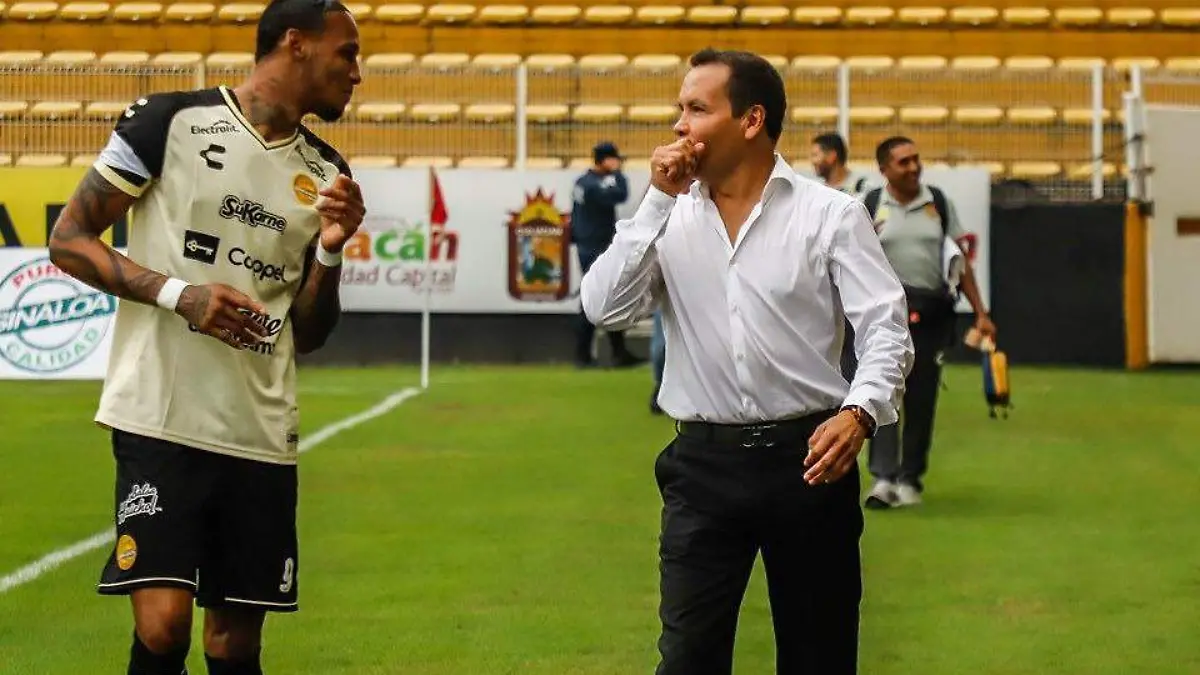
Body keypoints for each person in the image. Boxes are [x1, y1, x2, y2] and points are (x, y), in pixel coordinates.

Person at [46, 0, 363, 672]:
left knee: (233, 643)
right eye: (347, 53)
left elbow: (309, 332)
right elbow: (69, 239)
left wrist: (332, 250)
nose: (357, 73)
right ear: (296, 43)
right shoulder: (168, 122)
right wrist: (180, 295)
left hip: (258, 431)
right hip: (160, 414)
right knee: (163, 627)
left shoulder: (328, 174)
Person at [580, 48, 913, 675]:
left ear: (752, 120)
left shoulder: (830, 214)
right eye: (680, 109)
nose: (679, 125)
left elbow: (886, 327)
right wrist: (655, 201)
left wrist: (860, 413)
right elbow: (604, 309)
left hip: (810, 463)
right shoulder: (667, 216)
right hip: (701, 469)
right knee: (687, 660)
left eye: (697, 109)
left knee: (819, 659)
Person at [858, 136, 997, 510]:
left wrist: (981, 313)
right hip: (884, 316)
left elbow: (959, 262)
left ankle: (910, 479)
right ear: (884, 169)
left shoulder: (938, 202)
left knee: (921, 398)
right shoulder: (870, 205)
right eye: (903, 162)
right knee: (881, 392)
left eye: (916, 159)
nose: (913, 167)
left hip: (931, 314)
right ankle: (883, 478)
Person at [570, 141, 642, 368]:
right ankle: (585, 355)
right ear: (605, 160)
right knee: (595, 298)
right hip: (595, 246)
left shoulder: (582, 182)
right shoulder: (592, 185)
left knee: (610, 296)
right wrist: (617, 174)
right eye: (614, 159)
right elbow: (620, 194)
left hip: (591, 245)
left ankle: (615, 353)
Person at [810, 132, 869, 196]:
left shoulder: (861, 187)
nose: (813, 161)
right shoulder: (817, 192)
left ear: (831, 156)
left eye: (815, 155)